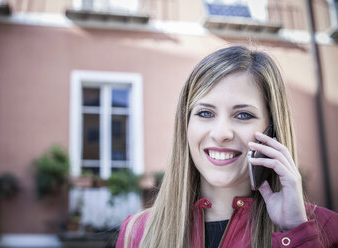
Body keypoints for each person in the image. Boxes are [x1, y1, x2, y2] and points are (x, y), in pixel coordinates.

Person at [116, 46, 338, 247]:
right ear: (185, 126)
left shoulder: (327, 229)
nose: (221, 133)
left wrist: (296, 232)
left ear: (272, 130)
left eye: (243, 115)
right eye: (205, 113)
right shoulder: (137, 233)